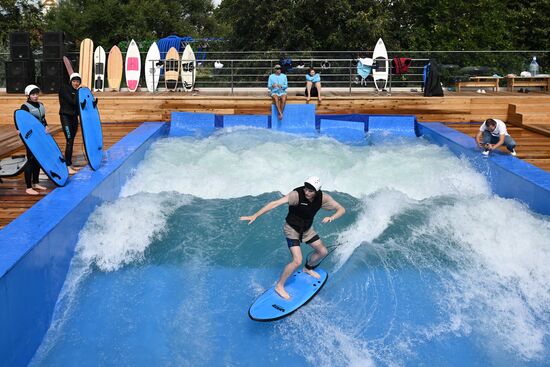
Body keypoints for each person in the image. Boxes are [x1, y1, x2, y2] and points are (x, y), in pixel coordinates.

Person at [240, 176, 346, 300]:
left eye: (311, 190)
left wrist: (331, 217)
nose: (307, 192)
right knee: (297, 260)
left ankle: (308, 268)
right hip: (292, 229)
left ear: (317, 191)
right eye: (306, 188)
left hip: (307, 229)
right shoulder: (296, 195)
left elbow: (341, 209)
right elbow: (275, 204)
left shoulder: (323, 198)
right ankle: (279, 286)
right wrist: (255, 215)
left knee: (323, 251)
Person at [19, 85, 49, 195]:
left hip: (39, 136)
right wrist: (19, 130)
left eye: (37, 94)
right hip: (30, 137)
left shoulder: (41, 105)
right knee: (31, 161)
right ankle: (28, 187)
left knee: (38, 160)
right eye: (33, 94)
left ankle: (36, 182)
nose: (35, 96)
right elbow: (21, 121)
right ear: (28, 95)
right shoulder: (25, 106)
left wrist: (46, 126)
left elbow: (43, 119)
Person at [58, 72, 82, 174]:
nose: (76, 83)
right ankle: (67, 166)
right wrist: (79, 92)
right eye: (74, 81)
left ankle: (69, 163)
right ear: (70, 81)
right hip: (66, 117)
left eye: (78, 82)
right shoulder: (64, 89)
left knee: (71, 140)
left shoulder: (76, 91)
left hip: (74, 118)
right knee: (69, 140)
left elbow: (79, 105)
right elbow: (72, 102)